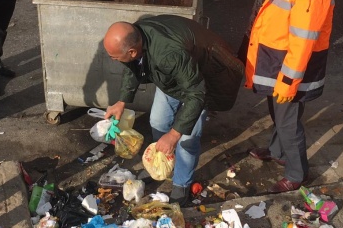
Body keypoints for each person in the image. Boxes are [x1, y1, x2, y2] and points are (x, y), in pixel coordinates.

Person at [103, 15, 243, 204]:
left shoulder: (168, 54)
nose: (112, 60)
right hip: (173, 77)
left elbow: (196, 94)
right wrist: (122, 101)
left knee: (187, 138)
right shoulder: (137, 36)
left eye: (114, 57)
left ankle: (181, 183)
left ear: (133, 51)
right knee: (158, 121)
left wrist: (174, 134)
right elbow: (132, 67)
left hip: (200, 82)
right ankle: (159, 164)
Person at [241, 0, 335, 194]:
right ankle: (276, 150)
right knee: (278, 111)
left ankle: (296, 173)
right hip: (277, 59)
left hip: (290, 66)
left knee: (287, 119)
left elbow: (303, 42)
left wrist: (288, 82)